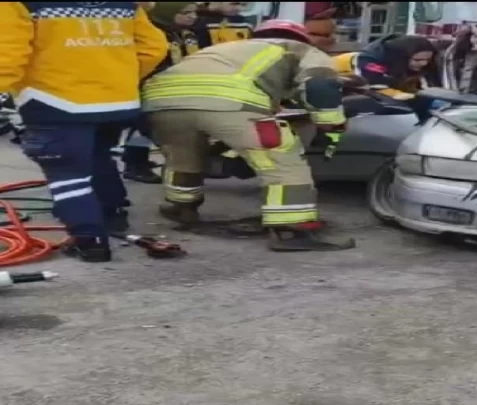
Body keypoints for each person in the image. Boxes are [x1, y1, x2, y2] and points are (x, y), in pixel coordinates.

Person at [142, 19, 356, 252]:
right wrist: (331, 122)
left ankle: (182, 207)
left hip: (160, 100)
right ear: (303, 38)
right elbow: (320, 84)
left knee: (183, 156)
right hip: (230, 102)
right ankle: (292, 229)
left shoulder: (227, 49)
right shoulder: (302, 50)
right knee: (281, 159)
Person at [0, 2, 167, 262]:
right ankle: (111, 214)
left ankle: (90, 241)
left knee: (67, 174)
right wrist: (120, 79)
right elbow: (153, 48)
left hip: (55, 101)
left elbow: (7, 53)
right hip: (117, 101)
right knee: (99, 156)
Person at [121, 2, 201, 184]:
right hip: (150, 85)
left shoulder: (187, 33)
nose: (192, 16)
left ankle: (139, 161)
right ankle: (134, 164)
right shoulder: (153, 33)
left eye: (194, 12)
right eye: (185, 12)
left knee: (149, 126)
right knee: (145, 126)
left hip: (174, 86)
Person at [333, 34, 440, 101]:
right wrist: (413, 98)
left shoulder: (404, 64)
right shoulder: (369, 62)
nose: (424, 64)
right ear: (401, 57)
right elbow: (374, 86)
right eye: (418, 60)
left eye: (427, 60)